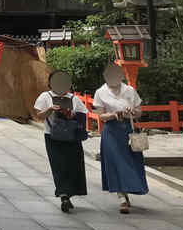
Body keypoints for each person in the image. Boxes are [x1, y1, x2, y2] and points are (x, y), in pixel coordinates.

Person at [94, 62, 148, 213]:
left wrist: (132, 111)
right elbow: (101, 115)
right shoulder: (100, 92)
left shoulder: (129, 90)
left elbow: (139, 111)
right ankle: (121, 197)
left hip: (128, 130)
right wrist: (112, 114)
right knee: (116, 162)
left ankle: (127, 191)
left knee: (130, 161)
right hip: (111, 131)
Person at [33, 70, 89, 212]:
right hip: (53, 136)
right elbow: (38, 116)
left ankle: (68, 194)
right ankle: (64, 195)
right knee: (58, 165)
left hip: (71, 137)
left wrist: (72, 114)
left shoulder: (74, 98)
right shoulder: (45, 96)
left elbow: (83, 115)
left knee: (73, 165)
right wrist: (51, 109)